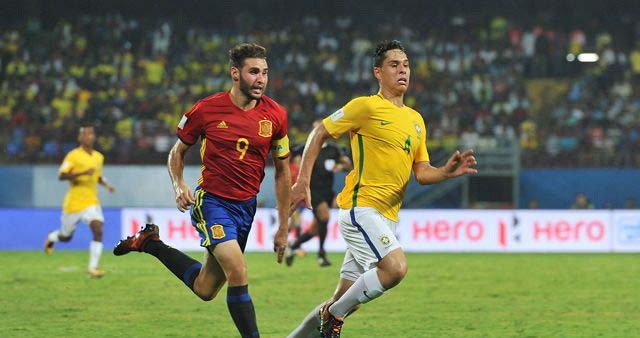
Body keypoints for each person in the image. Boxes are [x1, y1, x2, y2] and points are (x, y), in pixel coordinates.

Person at [288, 40, 478, 338]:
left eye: (406, 65)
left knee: (347, 299)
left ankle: (314, 325)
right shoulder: (365, 106)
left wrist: (445, 172)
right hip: (360, 207)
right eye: (394, 65)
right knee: (395, 269)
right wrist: (302, 182)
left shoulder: (416, 120)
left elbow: (422, 173)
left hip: (386, 216)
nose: (402, 70)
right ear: (378, 72)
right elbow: (320, 131)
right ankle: (333, 315)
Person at [113, 43, 291, 338]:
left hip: (246, 207)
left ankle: (150, 243)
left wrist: (283, 225)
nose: (261, 79)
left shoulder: (276, 116)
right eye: (254, 72)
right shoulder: (206, 109)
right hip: (213, 202)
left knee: (205, 288)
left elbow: (283, 173)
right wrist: (178, 184)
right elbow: (176, 152)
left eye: (265, 73)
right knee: (239, 271)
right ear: (236, 74)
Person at [44, 124, 116, 278]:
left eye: (91, 134)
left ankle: (92, 268)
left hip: (91, 201)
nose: (88, 136)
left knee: (98, 229)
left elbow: (97, 176)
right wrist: (82, 173)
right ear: (80, 137)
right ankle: (51, 237)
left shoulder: (99, 157)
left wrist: (106, 185)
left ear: (94, 137)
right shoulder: (73, 156)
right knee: (66, 236)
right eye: (85, 134)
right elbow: (61, 175)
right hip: (73, 203)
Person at [286, 121, 352, 267]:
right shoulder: (307, 147)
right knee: (325, 217)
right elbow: (289, 153)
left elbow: (347, 164)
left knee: (317, 227)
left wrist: (340, 165)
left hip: (328, 191)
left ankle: (294, 246)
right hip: (312, 190)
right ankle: (321, 255)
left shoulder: (332, 150)